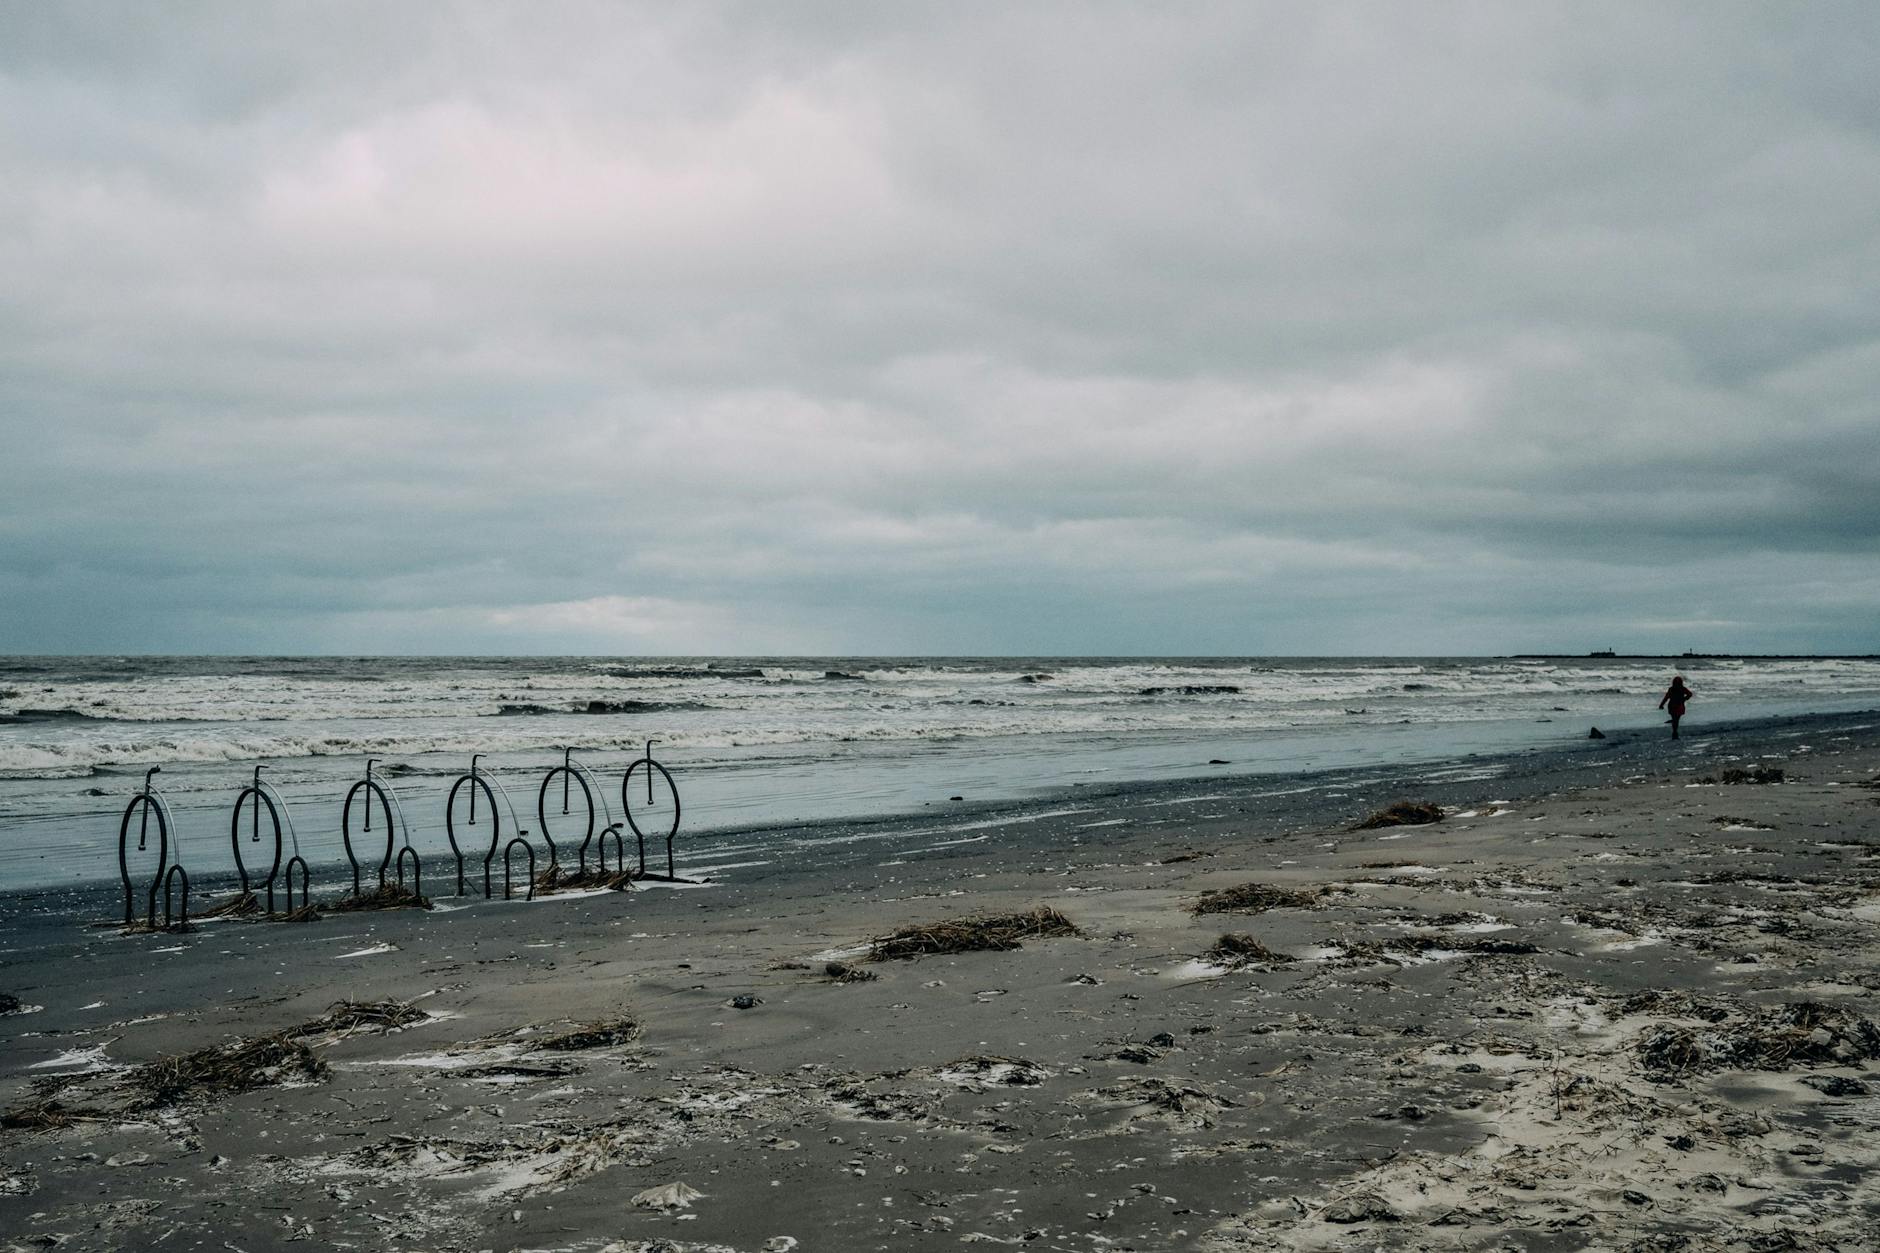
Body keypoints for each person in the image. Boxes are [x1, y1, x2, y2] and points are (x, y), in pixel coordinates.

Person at [1657, 675, 1693, 739]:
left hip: (1673, 705)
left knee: (1675, 719)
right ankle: (1675, 732)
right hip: (1678, 706)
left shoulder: (1672, 689)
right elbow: (1690, 694)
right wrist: (1684, 699)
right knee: (1677, 719)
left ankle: (1674, 731)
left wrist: (1661, 705)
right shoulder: (1682, 688)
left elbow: (1666, 697)